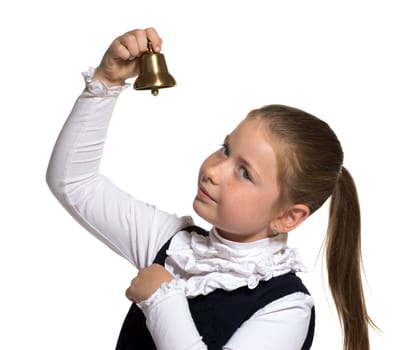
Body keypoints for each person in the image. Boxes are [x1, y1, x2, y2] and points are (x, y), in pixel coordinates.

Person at [46, 27, 374, 350]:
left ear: (289, 217)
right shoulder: (171, 244)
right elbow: (74, 183)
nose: (214, 171)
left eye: (244, 172)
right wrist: (108, 79)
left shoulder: (287, 307)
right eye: (225, 149)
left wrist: (163, 301)